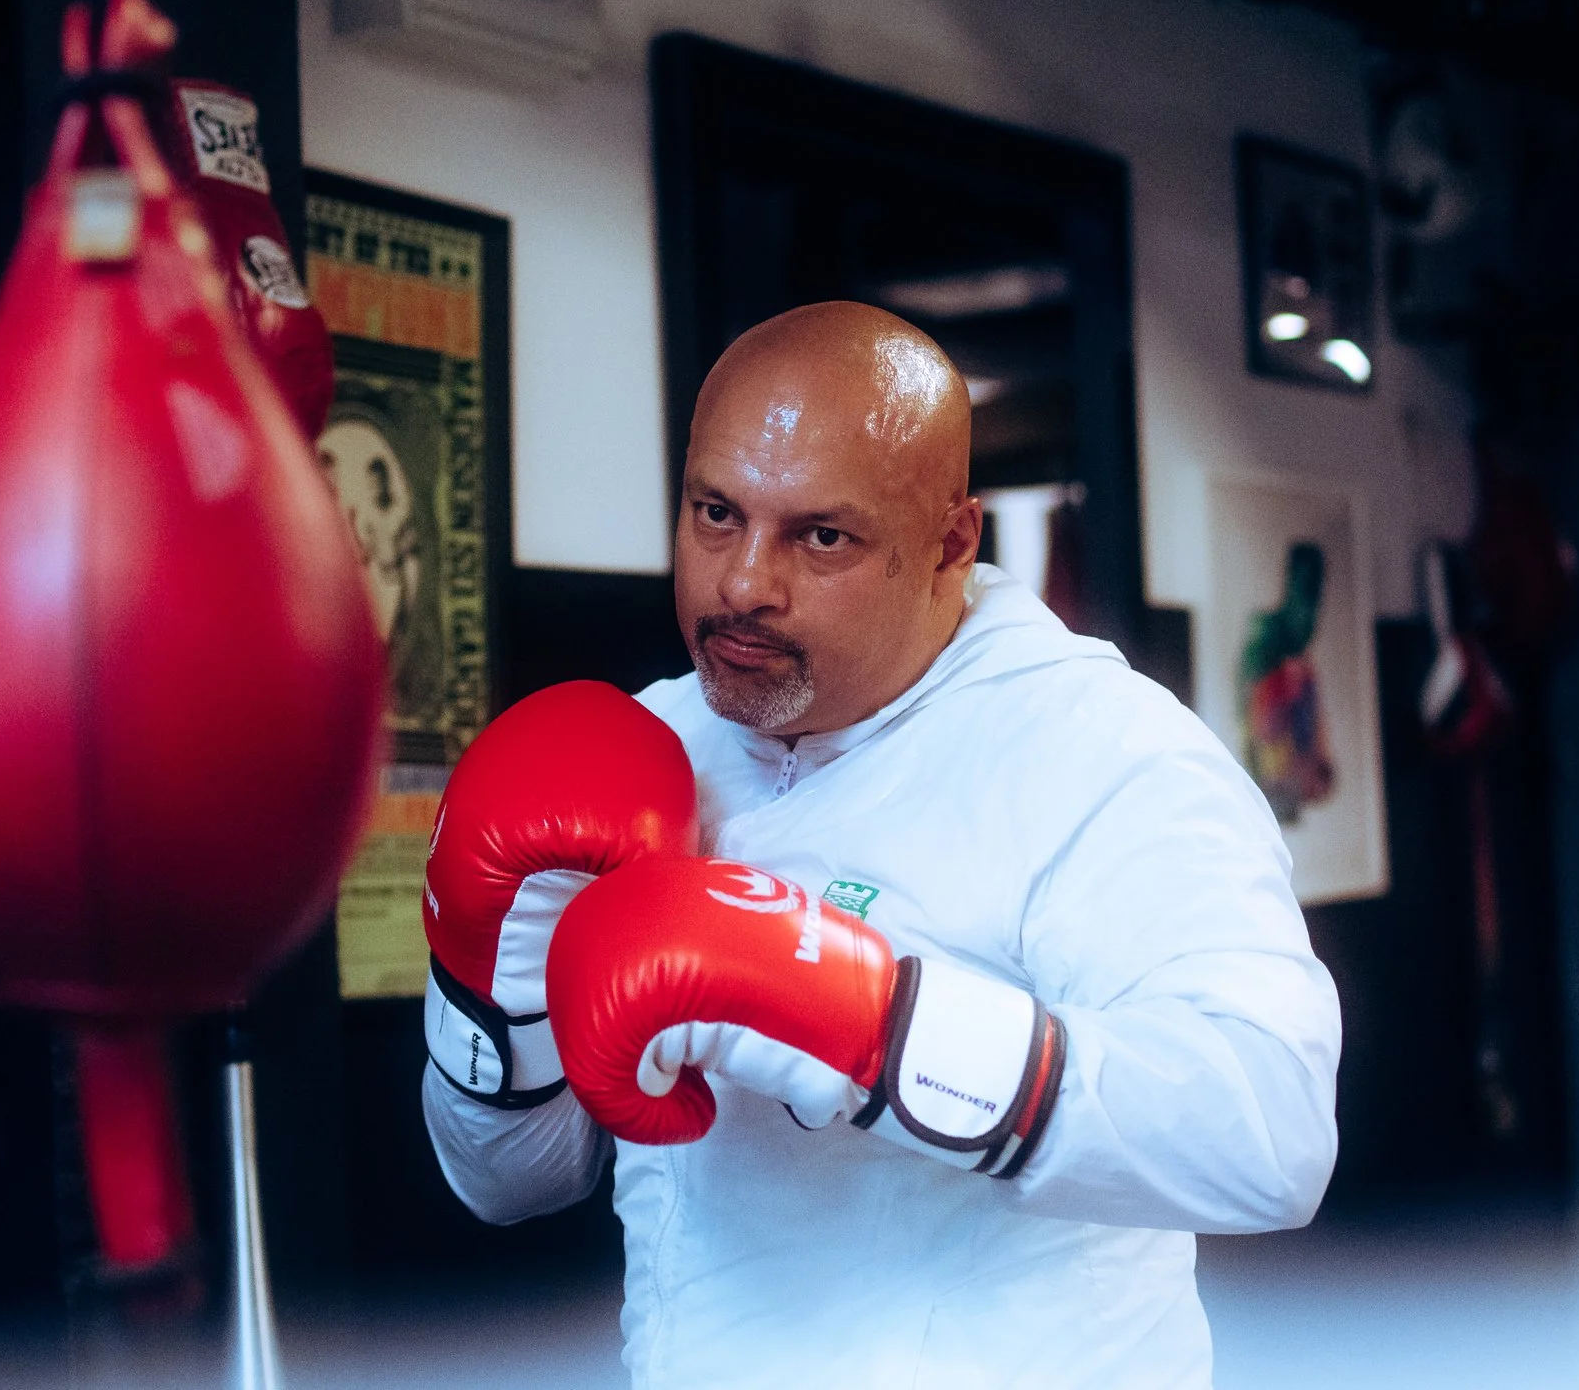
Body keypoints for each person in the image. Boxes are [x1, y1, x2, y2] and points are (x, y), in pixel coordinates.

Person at [419, 301, 1340, 1388]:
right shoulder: (646, 742)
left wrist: (875, 1025)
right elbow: (507, 1183)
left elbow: (1269, 1139)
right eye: (715, 513)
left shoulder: (1101, 752)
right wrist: (489, 984)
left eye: (821, 537)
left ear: (950, 545)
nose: (743, 583)